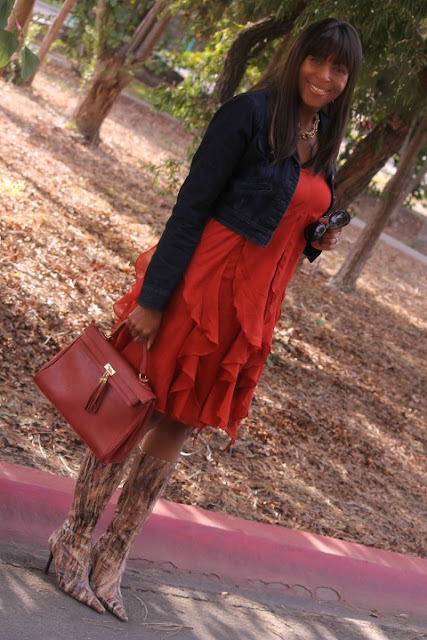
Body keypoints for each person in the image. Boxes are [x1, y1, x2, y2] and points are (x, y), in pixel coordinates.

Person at [44, 18, 363, 622]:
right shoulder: (249, 115)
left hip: (256, 303)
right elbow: (191, 207)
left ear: (349, 79)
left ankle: (112, 556)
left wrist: (317, 240)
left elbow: (291, 218)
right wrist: (154, 298)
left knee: (180, 422)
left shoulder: (322, 135)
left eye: (339, 68)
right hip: (204, 284)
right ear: (297, 57)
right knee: (139, 410)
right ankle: (72, 540)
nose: (325, 76)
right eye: (316, 60)